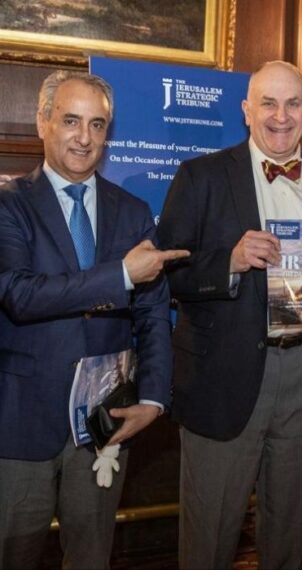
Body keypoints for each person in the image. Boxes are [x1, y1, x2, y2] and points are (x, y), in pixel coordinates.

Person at [158, 60, 302, 569]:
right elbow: (166, 273)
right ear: (246, 110)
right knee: (209, 534)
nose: (280, 116)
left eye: (292, 104)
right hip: (223, 375)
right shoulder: (202, 176)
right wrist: (231, 261)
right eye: (268, 103)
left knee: (290, 529)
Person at [0, 70, 189, 570]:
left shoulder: (132, 211)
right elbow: (19, 295)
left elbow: (153, 313)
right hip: (20, 425)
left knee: (91, 558)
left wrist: (153, 398)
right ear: (42, 123)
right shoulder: (9, 205)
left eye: (97, 124)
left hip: (104, 424)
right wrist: (120, 274)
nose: (84, 137)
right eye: (70, 121)